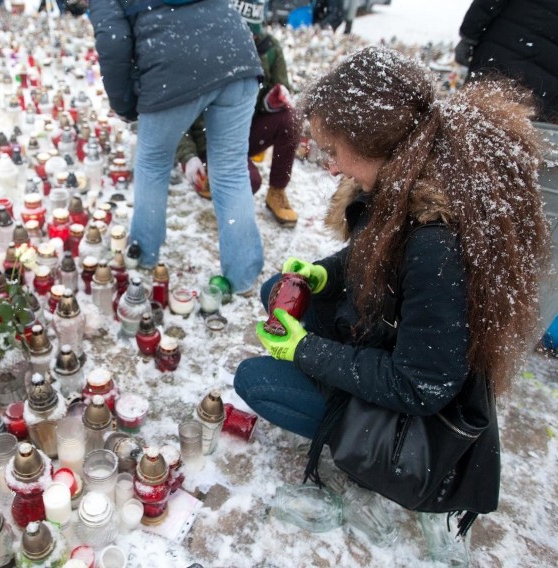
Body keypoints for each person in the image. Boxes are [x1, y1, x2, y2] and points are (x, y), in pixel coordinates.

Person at [233, 47, 550, 544]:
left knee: (255, 379)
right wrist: (321, 276)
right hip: (386, 332)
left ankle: (364, 462)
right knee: (280, 291)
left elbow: (421, 387)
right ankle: (318, 369)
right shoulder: (406, 176)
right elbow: (371, 256)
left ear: (372, 140)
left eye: (333, 151)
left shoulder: (434, 241)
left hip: (416, 413)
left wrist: (305, 351)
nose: (331, 168)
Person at [90, 0, 264, 295]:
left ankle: (144, 253)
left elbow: (114, 41)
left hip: (175, 61)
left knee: (153, 163)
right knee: (231, 170)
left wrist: (123, 105)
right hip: (237, 55)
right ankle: (243, 276)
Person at [176, 0, 300, 226]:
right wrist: (188, 155)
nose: (249, 42)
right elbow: (176, 114)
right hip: (209, 139)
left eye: (253, 35)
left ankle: (277, 192)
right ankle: (212, 173)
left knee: (289, 120)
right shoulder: (200, 49)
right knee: (248, 182)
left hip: (245, 132)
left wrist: (272, 101)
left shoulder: (269, 48)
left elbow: (282, 91)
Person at [454, 0, 558, 123]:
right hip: (547, 88)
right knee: (532, 135)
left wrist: (469, 37)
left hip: (498, 59)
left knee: (474, 123)